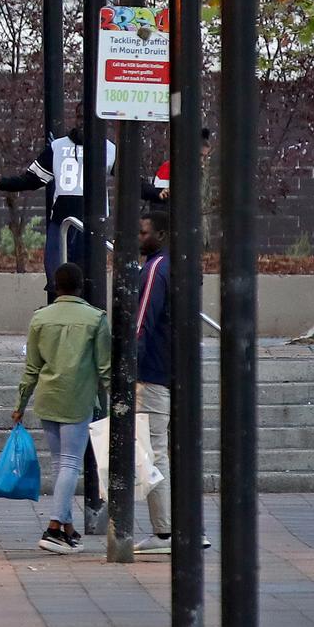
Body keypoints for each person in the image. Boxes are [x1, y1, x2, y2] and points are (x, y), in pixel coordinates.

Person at [13, 263, 111, 555]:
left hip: (48, 398)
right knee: (70, 463)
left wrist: (19, 404)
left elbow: (31, 368)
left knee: (59, 464)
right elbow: (105, 368)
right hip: (78, 399)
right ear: (81, 286)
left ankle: (67, 529)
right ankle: (55, 527)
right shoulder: (96, 319)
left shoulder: (40, 318)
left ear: (55, 286)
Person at [0, 104, 116, 302]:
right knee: (57, 275)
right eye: (80, 117)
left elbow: (131, 180)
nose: (84, 123)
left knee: (87, 278)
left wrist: (158, 193)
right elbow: (32, 179)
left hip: (92, 224)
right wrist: (0, 182)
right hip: (61, 220)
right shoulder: (58, 147)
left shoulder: (108, 149)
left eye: (89, 118)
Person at [131, 210, 178, 554]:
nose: (138, 237)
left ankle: (165, 532)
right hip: (173, 369)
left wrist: (128, 365)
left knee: (151, 451)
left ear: (160, 235)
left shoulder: (154, 270)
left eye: (143, 232)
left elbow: (142, 320)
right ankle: (179, 526)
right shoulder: (179, 265)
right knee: (162, 450)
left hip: (151, 374)